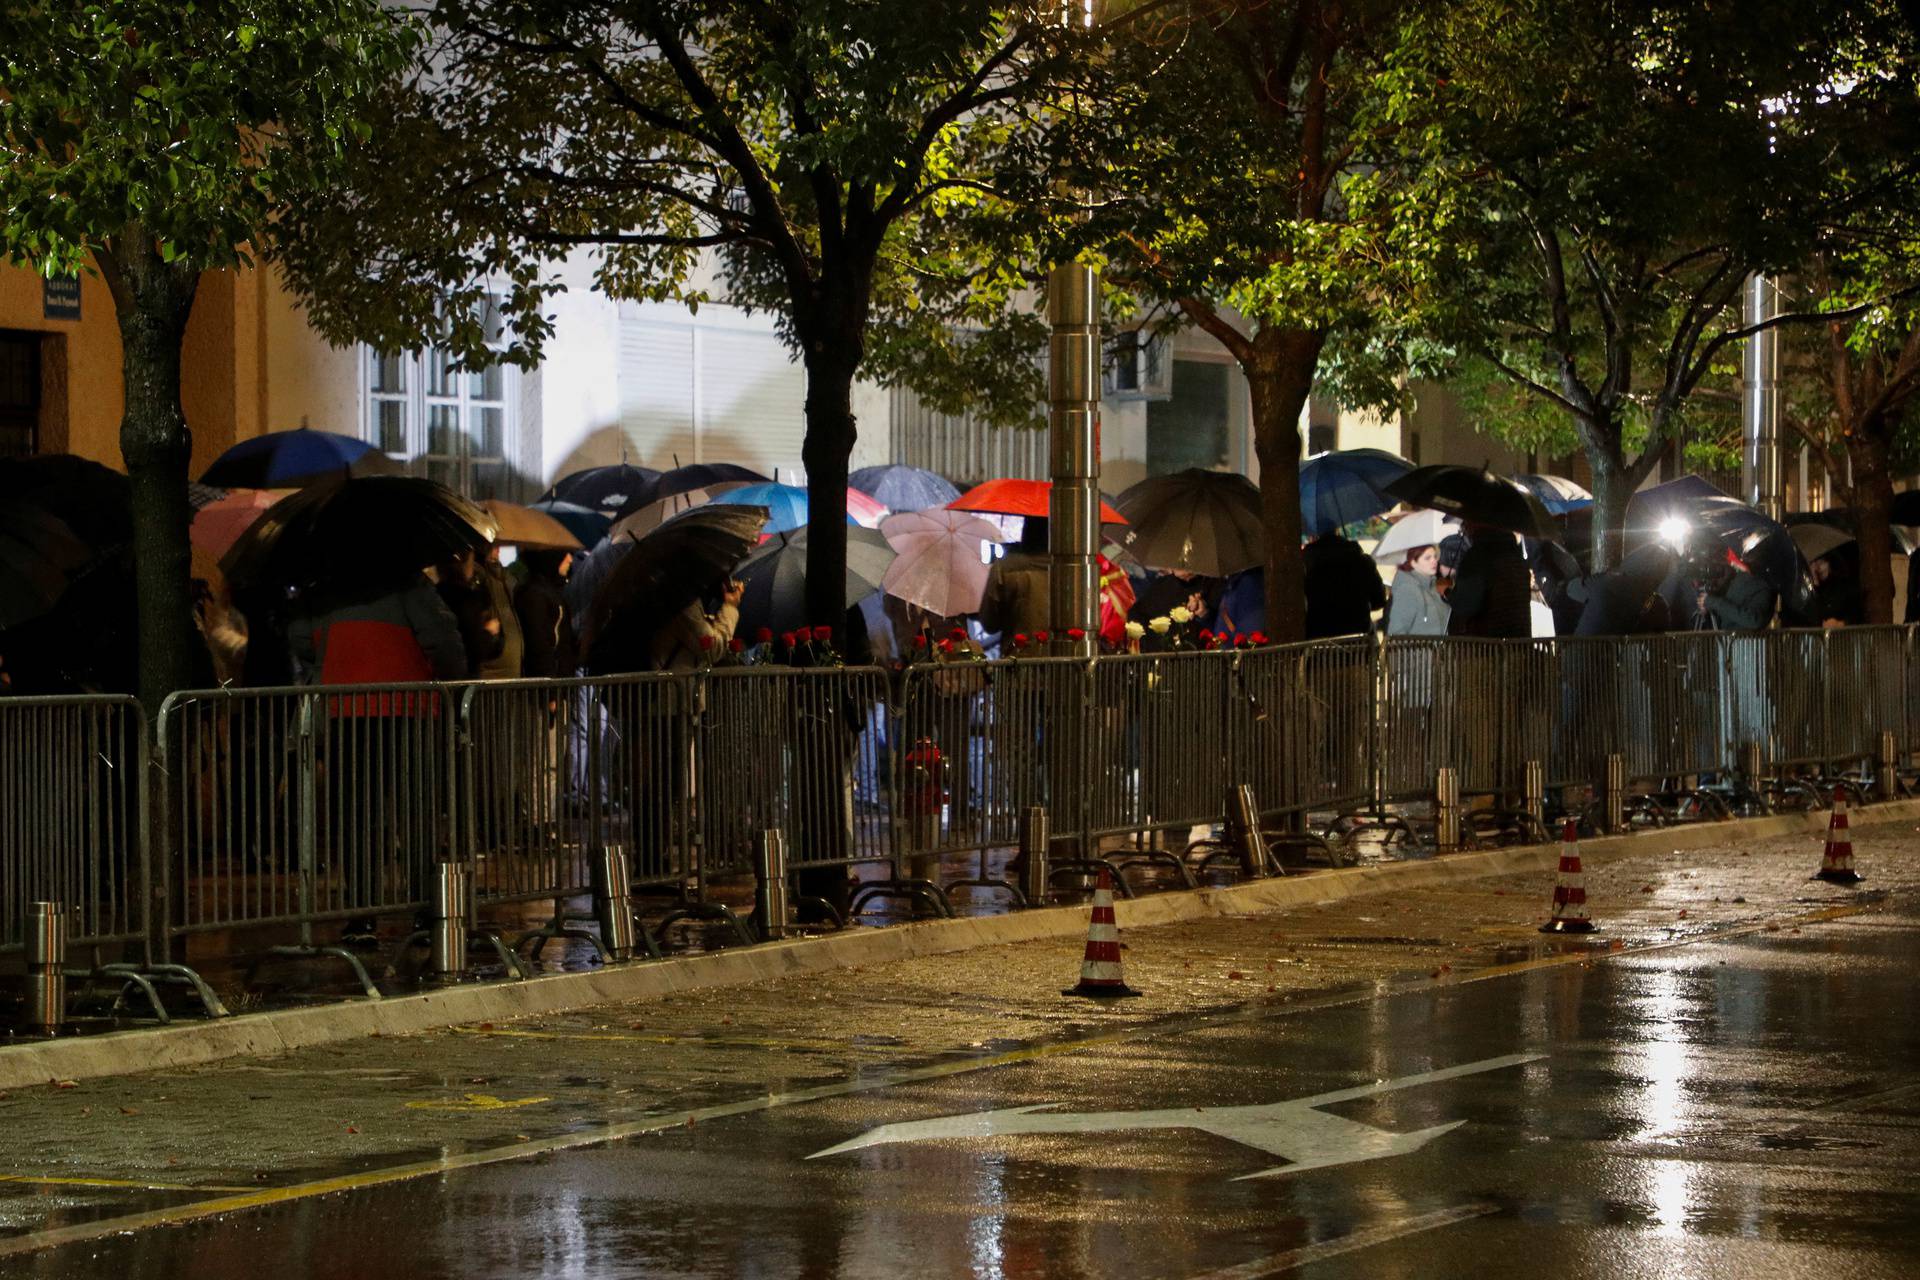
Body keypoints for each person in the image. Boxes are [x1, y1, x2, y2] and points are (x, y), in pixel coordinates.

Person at [1445, 524, 1532, 638]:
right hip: (1518, 645)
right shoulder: (1517, 558)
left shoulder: (1478, 557)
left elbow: (1466, 605)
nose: (1465, 526)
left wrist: (1447, 592)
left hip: (1485, 647)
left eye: (1467, 523)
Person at [435, 547, 505, 674]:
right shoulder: (467, 600)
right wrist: (490, 632)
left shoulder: (434, 594)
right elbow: (476, 647)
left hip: (440, 674)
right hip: (465, 675)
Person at [1302, 530, 1384, 639]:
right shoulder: (1363, 562)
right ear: (1338, 533)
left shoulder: (1306, 565)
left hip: (1319, 641)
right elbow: (1379, 601)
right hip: (1358, 639)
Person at [979, 517, 1050, 641]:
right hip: (1069, 655)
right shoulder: (1077, 568)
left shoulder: (1005, 567)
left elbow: (990, 623)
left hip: (1020, 653)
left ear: (1026, 530)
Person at [514, 549, 577, 678]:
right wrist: (550, 691)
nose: (570, 559)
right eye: (564, 554)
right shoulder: (535, 595)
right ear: (551, 559)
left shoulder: (553, 591)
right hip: (549, 686)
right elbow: (539, 645)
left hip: (560, 681)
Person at [1385, 544, 1450, 636]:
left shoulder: (1433, 588)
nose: (1434, 561)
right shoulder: (1407, 590)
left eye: (1435, 557)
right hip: (1417, 650)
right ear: (1413, 562)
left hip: (1439, 649)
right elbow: (1396, 633)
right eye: (1427, 558)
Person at [1809, 548, 1864, 627]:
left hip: (1842, 636)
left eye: (1822, 563)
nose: (1818, 568)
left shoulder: (1844, 587)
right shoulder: (1813, 590)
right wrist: (1814, 583)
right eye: (1814, 563)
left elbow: (1856, 614)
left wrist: (1841, 623)